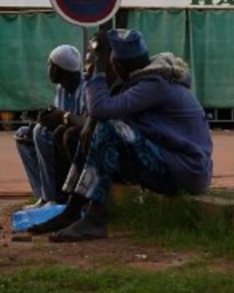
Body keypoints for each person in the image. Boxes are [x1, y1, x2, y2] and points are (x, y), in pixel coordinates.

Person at [28, 29, 213, 243]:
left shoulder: (155, 84)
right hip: (167, 161)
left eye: (108, 61)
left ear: (119, 65)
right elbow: (97, 115)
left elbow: (100, 110)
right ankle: (73, 209)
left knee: (107, 127)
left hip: (185, 169)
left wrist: (98, 70)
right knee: (95, 127)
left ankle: (95, 219)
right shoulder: (141, 81)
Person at [15, 44, 87, 209]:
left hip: (76, 141)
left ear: (58, 69)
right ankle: (42, 195)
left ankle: (53, 197)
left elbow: (86, 122)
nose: (48, 69)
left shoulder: (86, 88)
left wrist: (58, 119)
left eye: (50, 65)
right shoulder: (61, 88)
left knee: (41, 133)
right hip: (60, 134)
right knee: (24, 133)